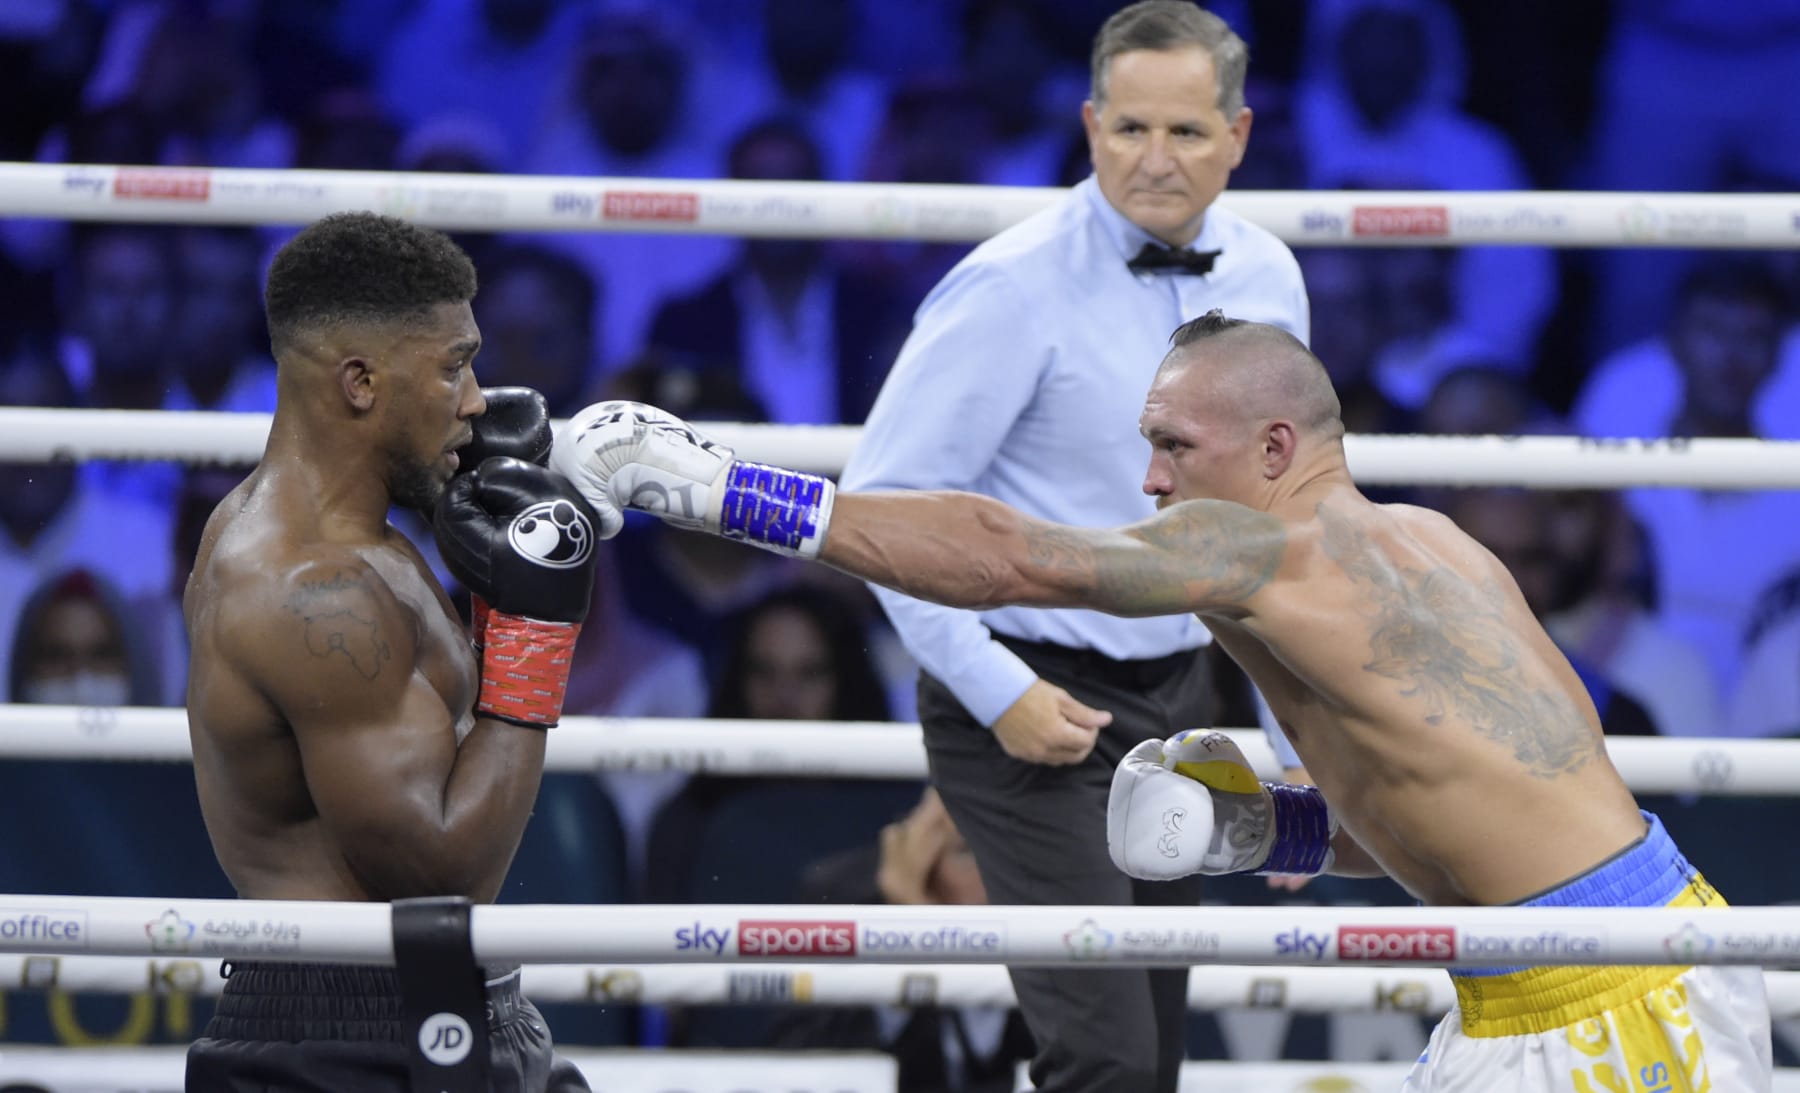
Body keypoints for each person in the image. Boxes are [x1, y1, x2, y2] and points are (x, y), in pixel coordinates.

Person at [550, 307, 1772, 1091]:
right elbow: (1468, 801)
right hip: (1609, 964)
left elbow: (1008, 555)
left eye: (1176, 445)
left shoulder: (1260, 551)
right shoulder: (1435, 543)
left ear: (1276, 448)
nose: (1149, 479)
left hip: (1608, 1003)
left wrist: (728, 493)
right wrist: (1269, 829)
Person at [836, 3, 1307, 1089]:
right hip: (1024, 689)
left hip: (1182, 694)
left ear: (1238, 136)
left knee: (1153, 1052)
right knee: (1106, 1057)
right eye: (1130, 128)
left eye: (1186, 130)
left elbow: (1279, 521)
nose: (1155, 158)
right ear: (1091, 126)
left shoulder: (1270, 278)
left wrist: (1299, 738)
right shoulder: (1013, 285)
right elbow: (880, 510)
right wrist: (996, 687)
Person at [182, 212, 594, 1091]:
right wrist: (533, 632)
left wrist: (495, 591)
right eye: (454, 366)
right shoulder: (309, 590)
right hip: (349, 1039)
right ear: (361, 382)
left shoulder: (356, 539)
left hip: (449, 1003)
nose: (477, 399)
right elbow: (440, 872)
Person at [771, 787, 1036, 1092]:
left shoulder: (1053, 914)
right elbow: (796, 1060)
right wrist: (912, 939)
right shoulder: (843, 909)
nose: (993, 875)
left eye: (1006, 852)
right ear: (924, 866)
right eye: (966, 850)